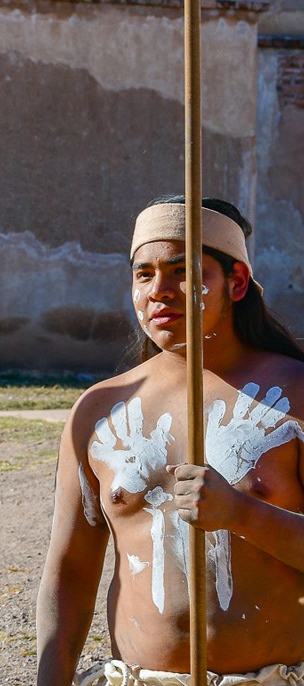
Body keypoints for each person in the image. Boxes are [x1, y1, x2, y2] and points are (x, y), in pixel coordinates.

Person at [37, 194, 304, 686]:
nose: (160, 290)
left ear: (237, 282)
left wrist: (243, 513)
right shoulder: (98, 412)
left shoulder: (295, 397)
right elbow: (71, 570)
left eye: (183, 271)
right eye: (144, 274)